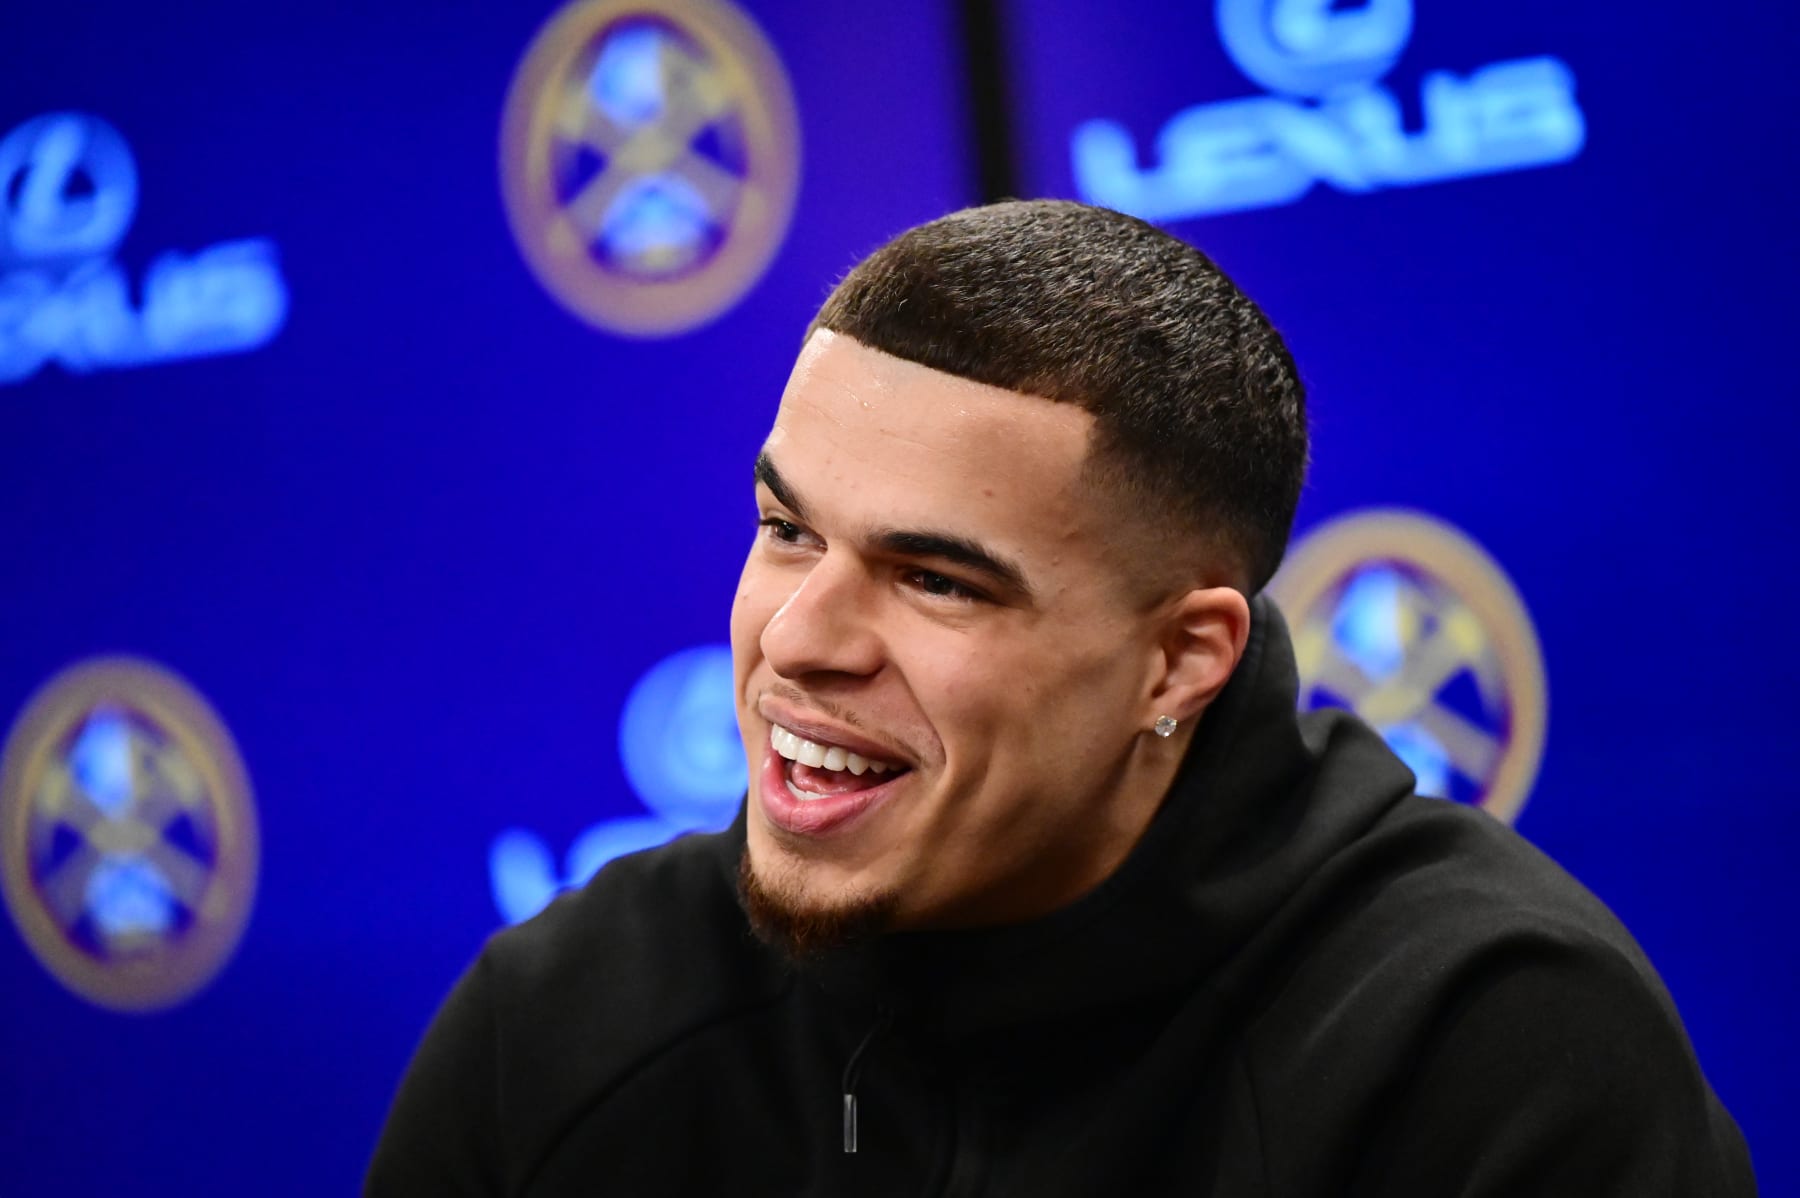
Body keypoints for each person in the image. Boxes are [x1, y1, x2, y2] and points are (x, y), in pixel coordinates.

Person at [366, 200, 1755, 1195]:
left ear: (1179, 658)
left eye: (935, 580)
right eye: (788, 529)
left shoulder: (1485, 1045)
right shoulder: (569, 1019)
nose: (798, 636)